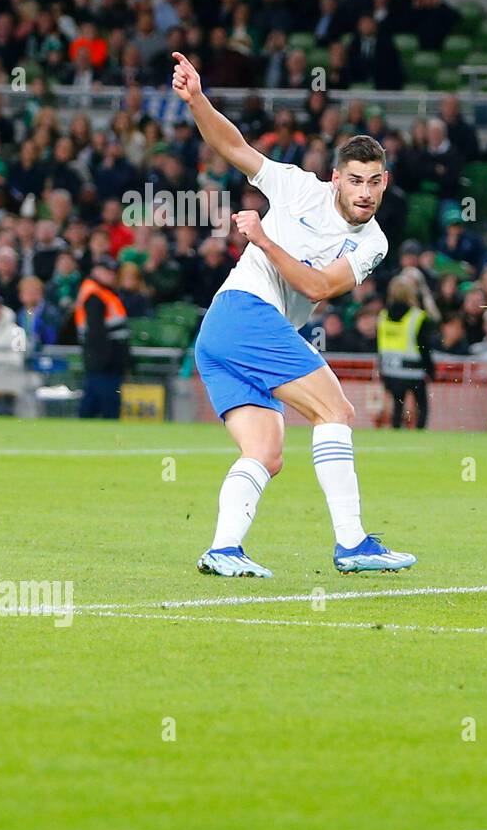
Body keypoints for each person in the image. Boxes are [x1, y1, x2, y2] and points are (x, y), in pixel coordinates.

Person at [171, 50, 413, 578]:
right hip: (242, 314)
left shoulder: (373, 243)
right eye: (355, 180)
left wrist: (261, 238)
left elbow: (318, 284)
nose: (364, 192)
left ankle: (224, 549)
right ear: (335, 180)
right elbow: (233, 146)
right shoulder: (298, 186)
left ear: (385, 184)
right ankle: (352, 543)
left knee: (266, 451)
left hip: (232, 331)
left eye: (374, 182)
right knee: (337, 413)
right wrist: (197, 100)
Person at [377, 270, 437, 429]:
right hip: (414, 371)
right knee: (422, 406)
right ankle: (419, 435)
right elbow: (424, 346)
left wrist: (382, 370)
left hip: (391, 371)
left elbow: (380, 346)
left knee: (398, 407)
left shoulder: (383, 316)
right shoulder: (417, 317)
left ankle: (396, 433)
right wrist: (430, 370)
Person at [75, 258, 129, 419]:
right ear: (96, 271)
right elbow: (96, 332)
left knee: (92, 402)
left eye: (113, 273)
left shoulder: (101, 292)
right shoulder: (95, 295)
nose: (112, 276)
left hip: (102, 358)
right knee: (109, 404)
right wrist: (107, 359)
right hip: (104, 359)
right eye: (107, 272)